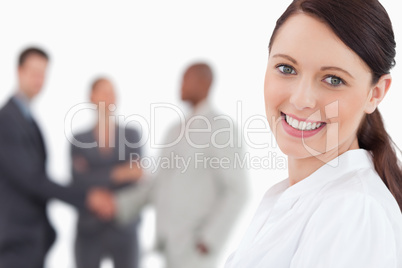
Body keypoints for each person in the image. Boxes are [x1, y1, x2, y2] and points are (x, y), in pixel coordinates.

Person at [224, 0, 402, 267]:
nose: (301, 100)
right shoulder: (293, 197)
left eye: (333, 79)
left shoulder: (352, 211)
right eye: (286, 68)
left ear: (375, 93)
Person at [92, 63, 250, 268]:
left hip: (196, 249)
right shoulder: (174, 131)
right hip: (169, 247)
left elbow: (238, 190)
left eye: (186, 79)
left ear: (205, 83)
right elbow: (158, 185)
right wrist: (118, 204)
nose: (180, 84)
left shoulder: (221, 129)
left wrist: (209, 239)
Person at [0, 47, 106, 268]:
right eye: (34, 72)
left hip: (32, 239)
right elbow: (31, 179)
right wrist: (85, 197)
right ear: (19, 71)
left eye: (43, 73)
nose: (39, 79)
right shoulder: (6, 120)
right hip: (16, 240)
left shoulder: (29, 120)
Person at [70, 77, 143, 268]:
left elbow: (137, 176)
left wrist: (95, 177)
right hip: (89, 228)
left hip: (125, 226)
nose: (109, 97)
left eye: (112, 92)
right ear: (92, 97)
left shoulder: (131, 135)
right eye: (103, 92)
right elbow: (79, 182)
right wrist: (119, 173)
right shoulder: (79, 139)